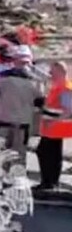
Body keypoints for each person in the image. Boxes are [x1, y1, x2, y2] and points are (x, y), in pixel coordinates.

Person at [0, 44, 42, 160]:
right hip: (20, 123)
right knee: (16, 156)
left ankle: (5, 175)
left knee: (2, 155)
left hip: (7, 122)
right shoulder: (35, 81)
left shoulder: (2, 78)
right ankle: (15, 176)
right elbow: (39, 105)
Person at [37, 61, 72, 190]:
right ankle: (48, 182)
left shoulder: (66, 88)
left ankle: (50, 182)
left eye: (53, 72)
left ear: (61, 72)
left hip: (56, 128)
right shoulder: (57, 87)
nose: (50, 74)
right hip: (50, 128)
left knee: (48, 154)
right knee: (49, 154)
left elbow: (69, 110)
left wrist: (54, 121)